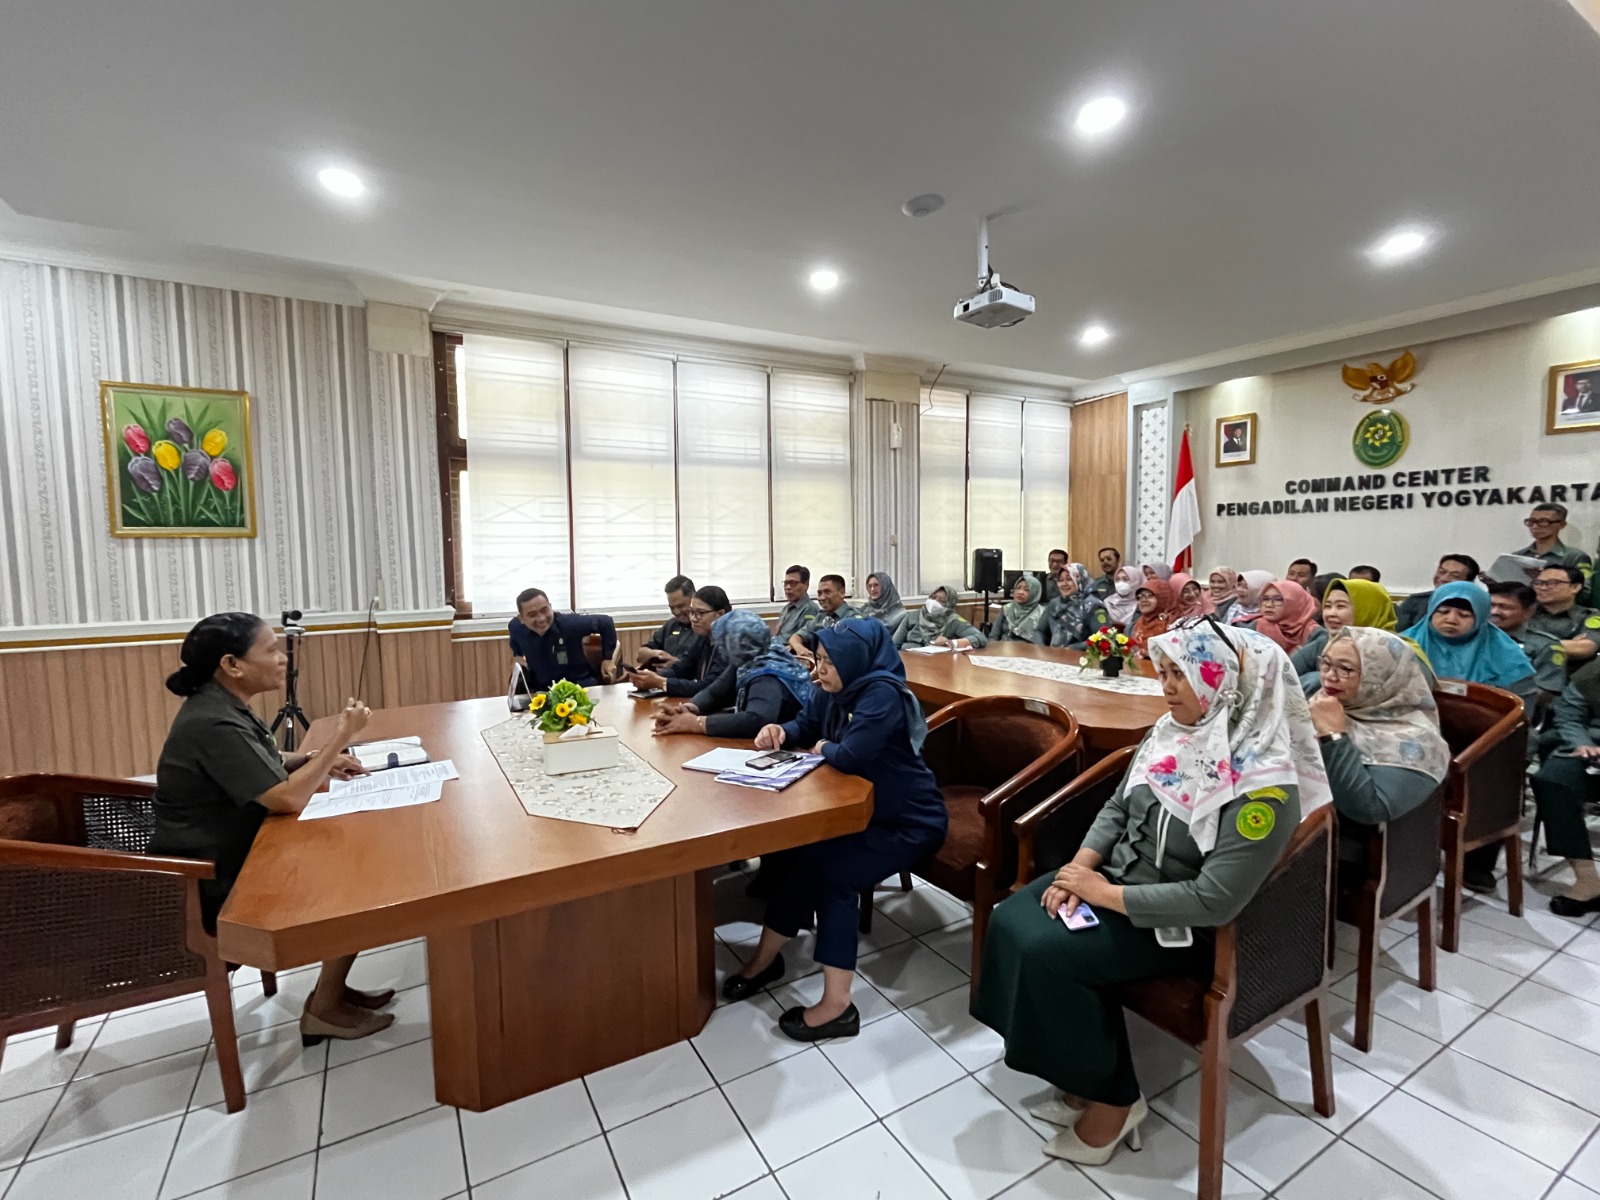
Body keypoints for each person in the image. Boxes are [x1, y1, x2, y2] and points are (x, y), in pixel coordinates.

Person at [972, 622, 1329, 1165]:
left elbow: (1215, 900)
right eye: (1163, 672)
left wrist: (1102, 895)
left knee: (1048, 953)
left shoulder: (1265, 786)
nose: (1166, 686)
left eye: (1181, 675)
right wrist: (1079, 868)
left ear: (1227, 683)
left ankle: (1114, 1103)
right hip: (1119, 882)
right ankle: (1079, 1079)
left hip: (1184, 922)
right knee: (1012, 919)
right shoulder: (1172, 732)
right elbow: (1119, 806)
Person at [149, 614, 395, 1044]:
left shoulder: (220, 704)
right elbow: (285, 798)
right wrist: (340, 738)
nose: (282, 659)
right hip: (210, 878)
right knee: (353, 878)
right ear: (232, 664)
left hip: (237, 849)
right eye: (270, 650)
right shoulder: (212, 721)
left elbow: (262, 759)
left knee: (350, 853)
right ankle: (324, 1009)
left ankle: (333, 989)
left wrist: (312, 759)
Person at [722, 620, 949, 1040]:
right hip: (860, 814)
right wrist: (782, 731)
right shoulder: (834, 689)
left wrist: (825, 747)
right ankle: (764, 961)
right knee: (799, 857)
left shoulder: (881, 694)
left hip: (908, 822)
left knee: (836, 876)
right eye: (819, 659)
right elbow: (806, 726)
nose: (819, 669)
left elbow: (852, 755)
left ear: (854, 660)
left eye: (828, 661)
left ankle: (838, 1007)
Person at [1308, 628, 1450, 862]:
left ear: (1382, 676)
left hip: (1349, 848)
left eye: (1345, 669)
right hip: (1307, 819)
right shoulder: (1323, 700)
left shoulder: (1417, 743)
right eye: (1326, 663)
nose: (1330, 676)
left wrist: (1333, 735)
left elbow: (1366, 809)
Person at [654, 611, 813, 740]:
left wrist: (696, 723)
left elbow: (756, 720)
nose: (719, 648)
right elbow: (715, 691)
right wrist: (689, 709)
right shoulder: (750, 656)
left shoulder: (767, 673)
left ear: (736, 643)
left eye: (722, 643)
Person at [1531, 662, 1600, 915]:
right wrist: (1583, 744)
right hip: (1593, 746)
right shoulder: (1593, 674)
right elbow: (1569, 715)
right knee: (1554, 780)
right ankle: (1587, 880)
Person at [1292, 576, 1399, 694]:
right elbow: (1286, 672)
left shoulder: (1395, 652)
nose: (1331, 613)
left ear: (1368, 610)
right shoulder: (1326, 641)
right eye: (1327, 606)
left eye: (1341, 606)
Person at [633, 585, 733, 703]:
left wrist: (661, 682)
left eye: (700, 613)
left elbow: (708, 687)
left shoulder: (731, 643)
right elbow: (682, 668)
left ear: (720, 614)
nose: (693, 619)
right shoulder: (705, 636)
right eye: (692, 612)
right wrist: (648, 676)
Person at [509, 588, 617, 690]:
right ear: (521, 618)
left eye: (544, 610)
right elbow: (516, 644)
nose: (541, 618)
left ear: (550, 607)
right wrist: (517, 655)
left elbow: (606, 622)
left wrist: (608, 659)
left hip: (580, 685)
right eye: (532, 615)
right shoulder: (516, 628)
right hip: (541, 690)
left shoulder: (569, 624)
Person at [1487, 580, 1567, 701]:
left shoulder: (1545, 645)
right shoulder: (1470, 637)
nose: (1494, 612)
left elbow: (1546, 692)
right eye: (1491, 605)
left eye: (1504, 607)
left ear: (1529, 611)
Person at [1528, 565, 1600, 671]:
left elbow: (1583, 648)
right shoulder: (1525, 612)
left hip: (1565, 675)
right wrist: (1563, 645)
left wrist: (1525, 646)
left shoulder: (1590, 615)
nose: (1542, 588)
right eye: (1538, 583)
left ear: (1575, 587)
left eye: (1552, 583)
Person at [1396, 554, 1480, 631]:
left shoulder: (1476, 605)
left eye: (1455, 576)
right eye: (1442, 572)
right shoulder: (1416, 601)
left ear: (1468, 582)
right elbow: (1399, 633)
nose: (1444, 578)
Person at [895, 582, 987, 650]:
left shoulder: (953, 620)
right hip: (909, 660)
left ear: (949, 604)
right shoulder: (912, 616)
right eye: (933, 597)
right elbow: (894, 644)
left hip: (938, 662)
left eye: (941, 600)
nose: (934, 602)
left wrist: (952, 643)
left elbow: (980, 638)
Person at [635, 575, 699, 669]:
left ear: (693, 598)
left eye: (680, 606)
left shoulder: (704, 629)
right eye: (672, 608)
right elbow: (641, 654)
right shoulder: (671, 625)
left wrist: (677, 663)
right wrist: (658, 654)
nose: (676, 612)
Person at [1514, 503, 1594, 578]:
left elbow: (1584, 586)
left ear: (1561, 525)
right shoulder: (1517, 556)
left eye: (1543, 521)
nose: (1535, 526)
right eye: (1531, 521)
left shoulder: (1575, 557)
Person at [1043, 563, 1110, 649]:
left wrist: (1072, 648)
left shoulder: (1093, 605)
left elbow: (1103, 637)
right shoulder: (1055, 603)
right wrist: (1041, 650)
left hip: (1082, 655)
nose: (1064, 584)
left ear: (1080, 579)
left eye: (1069, 579)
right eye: (1060, 580)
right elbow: (1039, 630)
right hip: (1054, 654)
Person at [1254, 580, 1319, 651]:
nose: (1269, 605)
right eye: (1265, 599)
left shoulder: (1314, 632)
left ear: (1295, 603)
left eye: (1278, 600)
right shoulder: (1255, 626)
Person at [993, 573, 1050, 643]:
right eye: (1018, 588)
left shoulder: (1042, 613)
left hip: (1029, 648)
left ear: (1035, 592)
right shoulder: (1006, 609)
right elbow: (993, 636)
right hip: (1004, 647)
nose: (1020, 592)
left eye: (1026, 590)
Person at [1127, 579, 1175, 658]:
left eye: (1149, 596)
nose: (1143, 600)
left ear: (1162, 598)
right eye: (1139, 597)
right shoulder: (1136, 624)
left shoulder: (1172, 625)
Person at [776, 565, 821, 640]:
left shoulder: (809, 609)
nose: (788, 587)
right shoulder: (787, 608)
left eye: (793, 583)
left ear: (806, 585)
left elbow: (804, 641)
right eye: (786, 583)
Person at [1103, 563, 1146, 629]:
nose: (1120, 583)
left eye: (1125, 579)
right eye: (1117, 579)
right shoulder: (1108, 602)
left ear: (1136, 581)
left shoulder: (1143, 604)